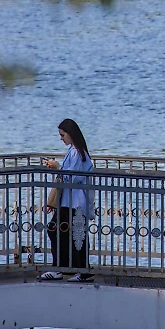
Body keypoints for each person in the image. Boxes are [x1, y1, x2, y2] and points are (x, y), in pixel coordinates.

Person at [38, 118, 94, 281]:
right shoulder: (74, 150)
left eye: (62, 135)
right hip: (69, 202)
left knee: (67, 233)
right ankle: (68, 268)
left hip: (74, 202)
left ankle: (73, 270)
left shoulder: (77, 152)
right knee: (64, 232)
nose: (61, 138)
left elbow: (74, 177)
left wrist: (57, 168)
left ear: (70, 134)